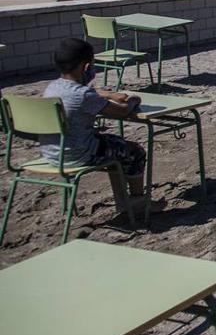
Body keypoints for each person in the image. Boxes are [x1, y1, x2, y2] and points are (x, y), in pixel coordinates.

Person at [41, 38, 147, 214]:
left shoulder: (52, 88)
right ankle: (139, 201)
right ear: (86, 66)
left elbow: (83, 94)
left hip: (52, 153)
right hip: (79, 154)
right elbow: (122, 112)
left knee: (114, 144)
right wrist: (133, 100)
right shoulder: (84, 95)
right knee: (134, 152)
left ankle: (122, 200)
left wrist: (108, 94)